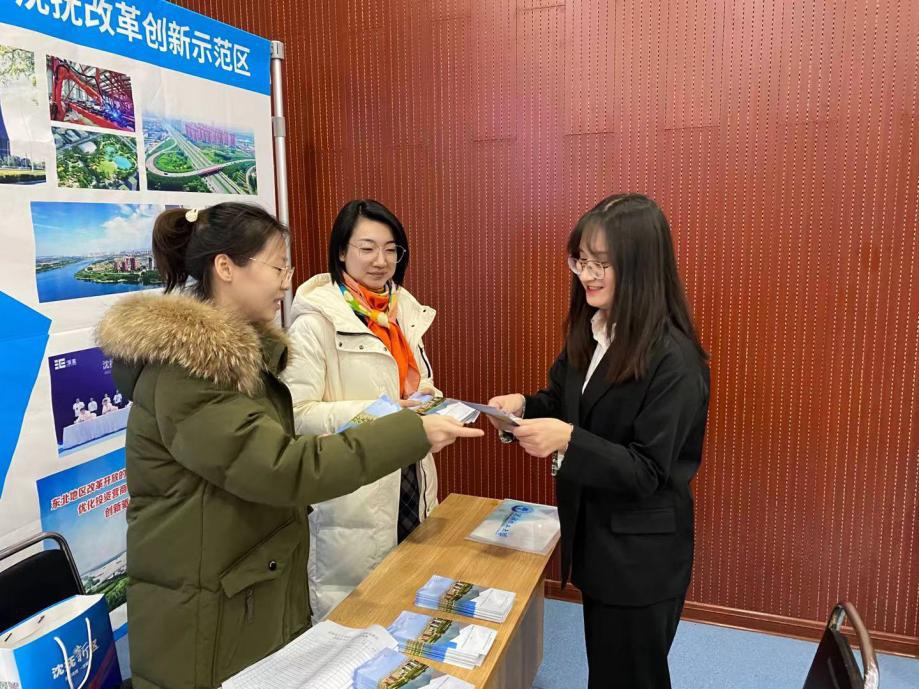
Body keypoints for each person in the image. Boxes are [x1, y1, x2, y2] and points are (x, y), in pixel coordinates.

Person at [96, 202, 482, 689]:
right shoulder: (189, 371)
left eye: (288, 269)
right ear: (226, 268)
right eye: (278, 268)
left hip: (246, 576)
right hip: (208, 597)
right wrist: (408, 430)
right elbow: (280, 467)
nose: (286, 283)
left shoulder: (242, 358)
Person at [488, 194, 710, 689]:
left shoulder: (675, 360)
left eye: (602, 264)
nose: (587, 275)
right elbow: (562, 402)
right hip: (597, 541)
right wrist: (523, 406)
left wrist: (568, 440)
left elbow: (647, 470)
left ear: (642, 266)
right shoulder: (592, 329)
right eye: (581, 261)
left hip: (640, 560)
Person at [283, 199, 440, 621]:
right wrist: (383, 413)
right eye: (367, 248)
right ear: (341, 251)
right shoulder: (314, 323)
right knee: (355, 617)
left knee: (409, 602)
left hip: (411, 473)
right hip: (353, 491)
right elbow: (296, 415)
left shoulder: (402, 313)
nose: (381, 261)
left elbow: (413, 385)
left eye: (391, 249)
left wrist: (432, 403)